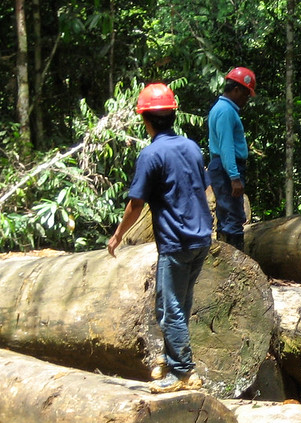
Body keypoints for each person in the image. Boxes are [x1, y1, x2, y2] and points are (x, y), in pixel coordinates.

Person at [107, 83, 213, 392]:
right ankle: (171, 359)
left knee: (169, 310)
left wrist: (117, 236)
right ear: (172, 115)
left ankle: (182, 373)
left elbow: (135, 203)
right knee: (175, 303)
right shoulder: (192, 147)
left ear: (146, 120)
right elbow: (203, 188)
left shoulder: (151, 154)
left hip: (176, 242)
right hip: (200, 239)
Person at [207, 67, 256, 251]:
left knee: (226, 215)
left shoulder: (221, 109)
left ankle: (224, 261)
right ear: (236, 90)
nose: (246, 99)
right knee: (233, 217)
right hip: (227, 167)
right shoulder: (226, 111)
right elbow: (226, 147)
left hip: (222, 166)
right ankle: (235, 267)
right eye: (246, 94)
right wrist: (234, 177)